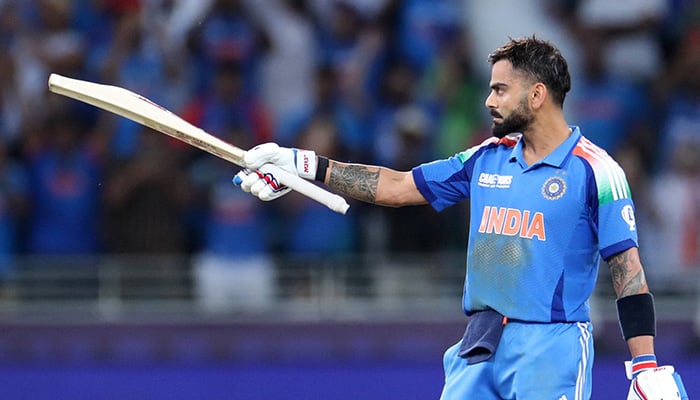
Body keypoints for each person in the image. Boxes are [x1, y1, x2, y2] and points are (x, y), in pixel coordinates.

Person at [233, 36, 687, 399]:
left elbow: (628, 273)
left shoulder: (598, 171)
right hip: (480, 341)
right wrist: (304, 165)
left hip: (552, 348)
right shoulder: (486, 157)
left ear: (537, 94)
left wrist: (643, 367)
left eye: (499, 89)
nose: (488, 99)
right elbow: (398, 186)